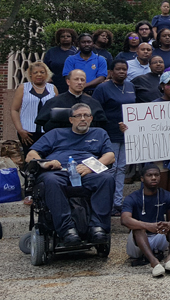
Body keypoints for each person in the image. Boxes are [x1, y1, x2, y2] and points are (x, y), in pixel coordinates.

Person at [26, 103, 115, 246]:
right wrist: (46, 162)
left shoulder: (99, 133)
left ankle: (97, 227)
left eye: (86, 115)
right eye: (78, 115)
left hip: (86, 172)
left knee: (106, 178)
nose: (83, 119)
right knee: (50, 180)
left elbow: (110, 156)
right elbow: (30, 155)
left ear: (91, 118)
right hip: (59, 171)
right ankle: (67, 229)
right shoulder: (56, 133)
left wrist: (90, 167)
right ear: (71, 119)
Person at [121, 164, 170, 276]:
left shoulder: (166, 195)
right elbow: (124, 220)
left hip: (159, 236)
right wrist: (148, 226)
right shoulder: (132, 197)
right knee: (138, 228)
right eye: (149, 175)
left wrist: (169, 224)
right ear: (142, 179)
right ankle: (155, 264)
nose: (154, 177)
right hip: (138, 243)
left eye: (156, 175)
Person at [92, 60, 136, 216]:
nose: (122, 72)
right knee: (110, 169)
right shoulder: (102, 88)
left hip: (127, 135)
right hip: (109, 134)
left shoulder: (130, 86)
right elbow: (96, 112)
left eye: (124, 69)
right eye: (118, 69)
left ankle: (118, 202)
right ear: (112, 72)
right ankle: (107, 202)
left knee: (122, 168)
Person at [35, 69, 107, 132]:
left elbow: (100, 125)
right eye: (76, 79)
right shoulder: (54, 102)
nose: (79, 82)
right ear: (68, 82)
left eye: (82, 80)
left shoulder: (93, 103)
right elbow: (45, 125)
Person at [11, 62, 57, 153]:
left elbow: (56, 111)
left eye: (42, 72)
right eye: (35, 72)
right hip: (27, 132)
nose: (39, 74)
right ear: (30, 74)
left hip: (47, 132)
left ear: (47, 74)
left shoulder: (52, 88)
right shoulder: (23, 88)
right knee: (30, 158)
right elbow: (14, 110)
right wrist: (20, 130)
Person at [43, 28, 78, 94]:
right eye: (62, 36)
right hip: (54, 83)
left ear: (72, 38)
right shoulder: (52, 51)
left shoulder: (77, 52)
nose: (65, 38)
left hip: (71, 84)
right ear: (59, 38)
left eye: (68, 36)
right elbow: (45, 67)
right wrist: (48, 78)